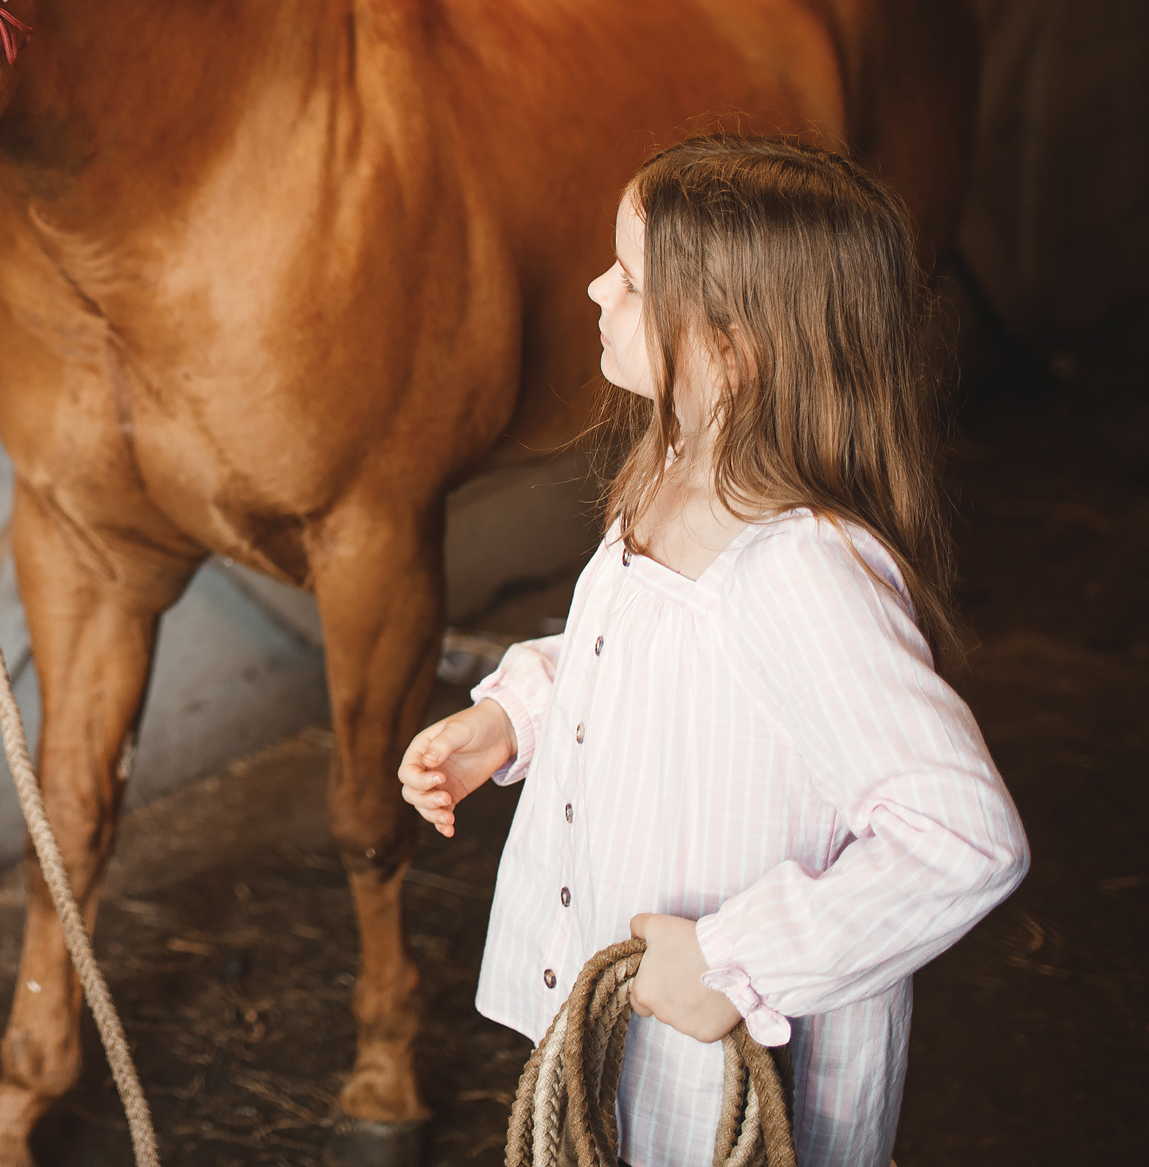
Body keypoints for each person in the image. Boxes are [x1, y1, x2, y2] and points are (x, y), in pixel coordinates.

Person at [396, 136, 1028, 1167]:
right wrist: (513, 716)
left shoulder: (800, 570)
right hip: (628, 1052)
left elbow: (961, 837)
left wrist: (736, 962)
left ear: (734, 345)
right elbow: (637, 667)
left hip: (722, 1088)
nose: (598, 288)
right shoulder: (675, 476)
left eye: (634, 281)